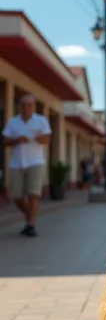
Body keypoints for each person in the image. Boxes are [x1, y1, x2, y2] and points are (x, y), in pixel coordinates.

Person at [2, 94, 51, 237]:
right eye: (24, 105)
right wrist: (18, 140)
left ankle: (31, 225)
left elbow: (47, 139)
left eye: (29, 105)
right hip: (16, 163)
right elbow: (5, 141)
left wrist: (36, 137)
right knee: (16, 195)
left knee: (33, 194)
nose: (26, 108)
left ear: (33, 106)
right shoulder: (12, 122)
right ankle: (31, 215)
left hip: (35, 162)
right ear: (19, 106)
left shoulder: (41, 121)